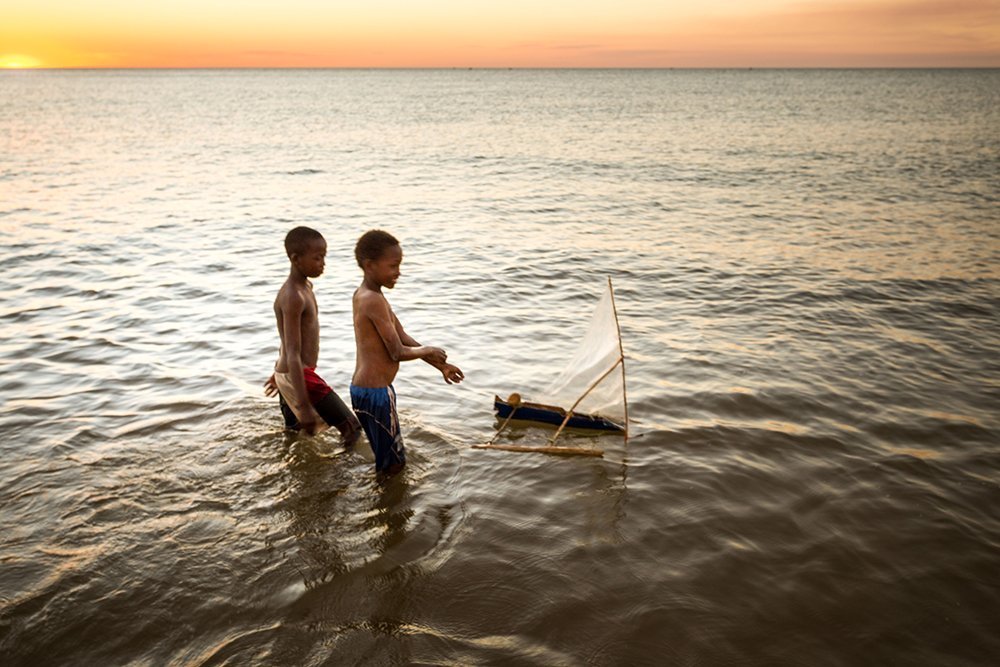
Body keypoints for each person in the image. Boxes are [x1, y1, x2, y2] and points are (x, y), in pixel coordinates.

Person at [350, 230, 464, 476]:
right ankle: (386, 510)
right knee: (394, 465)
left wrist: (440, 366)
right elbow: (396, 352)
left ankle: (382, 505)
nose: (398, 272)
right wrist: (430, 349)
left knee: (387, 459)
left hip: (364, 391)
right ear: (369, 265)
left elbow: (402, 337)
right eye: (393, 266)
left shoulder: (367, 295)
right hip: (376, 394)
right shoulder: (373, 300)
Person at [264, 226, 360, 444]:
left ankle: (298, 472)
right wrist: (304, 404)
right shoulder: (294, 296)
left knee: (295, 434)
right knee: (352, 429)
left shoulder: (305, 286)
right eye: (318, 258)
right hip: (300, 375)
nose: (323, 263)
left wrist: (279, 374)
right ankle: (340, 477)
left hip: (287, 373)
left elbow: (286, 340)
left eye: (324, 257)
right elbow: (293, 351)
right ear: (296, 259)